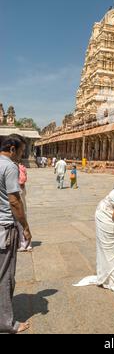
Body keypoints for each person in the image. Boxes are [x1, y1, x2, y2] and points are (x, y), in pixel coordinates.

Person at [0, 134, 32, 334]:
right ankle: (5, 323)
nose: (21, 156)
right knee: (5, 276)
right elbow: (14, 201)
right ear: (12, 149)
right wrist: (26, 227)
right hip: (4, 226)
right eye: (20, 151)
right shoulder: (9, 166)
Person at [17, 162, 32, 252]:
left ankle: (23, 244)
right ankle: (27, 244)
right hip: (21, 194)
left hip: (18, 199)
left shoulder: (14, 168)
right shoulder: (21, 167)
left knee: (19, 222)